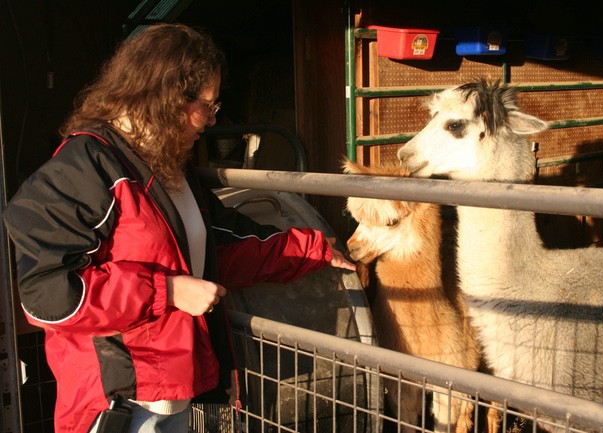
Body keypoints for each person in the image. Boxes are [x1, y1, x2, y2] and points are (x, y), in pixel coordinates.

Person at [2, 23, 355, 433]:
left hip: (173, 394)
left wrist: (311, 248)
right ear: (165, 97)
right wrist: (167, 290)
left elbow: (219, 248)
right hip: (119, 402)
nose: (208, 120)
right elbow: (47, 295)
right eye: (206, 105)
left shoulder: (167, 167)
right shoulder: (84, 168)